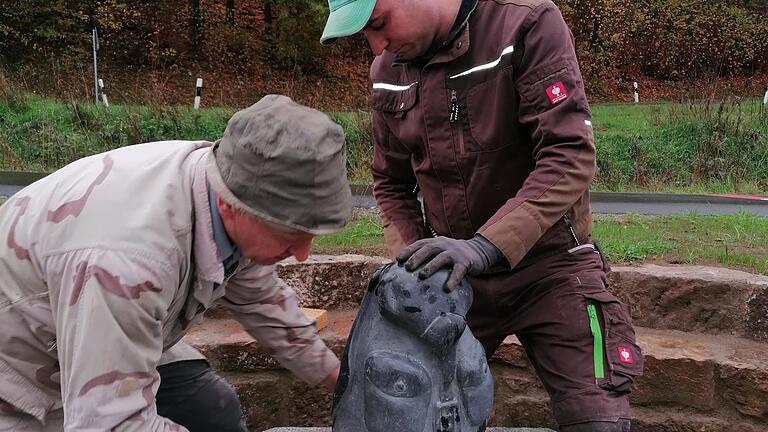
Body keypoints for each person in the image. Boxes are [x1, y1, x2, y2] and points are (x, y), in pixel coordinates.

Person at [321, 1, 643, 431]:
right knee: (400, 415)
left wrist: (485, 247)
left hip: (552, 269)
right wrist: (418, 265)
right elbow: (390, 183)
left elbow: (569, 154)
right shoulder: (387, 72)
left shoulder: (525, 23)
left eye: (378, 24)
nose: (377, 46)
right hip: (452, 279)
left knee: (598, 420)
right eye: (365, 35)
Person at [0, 94, 352, 431]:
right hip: (19, 378)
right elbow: (111, 424)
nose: (304, 252)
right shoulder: (129, 263)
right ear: (230, 204)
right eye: (291, 233)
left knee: (212, 410)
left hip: (97, 331)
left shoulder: (236, 182)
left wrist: (342, 384)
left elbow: (262, 300)